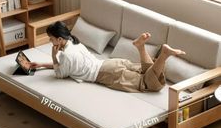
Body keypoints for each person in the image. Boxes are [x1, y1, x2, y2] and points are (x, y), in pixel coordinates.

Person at [30, 21, 185, 93]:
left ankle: (163, 55)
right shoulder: (75, 43)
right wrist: (42, 64)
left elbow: (60, 73)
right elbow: (65, 67)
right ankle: (140, 47)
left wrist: (54, 56)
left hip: (108, 74)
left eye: (51, 38)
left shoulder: (65, 56)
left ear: (59, 39)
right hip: (111, 64)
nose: (50, 41)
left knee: (152, 85)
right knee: (149, 72)